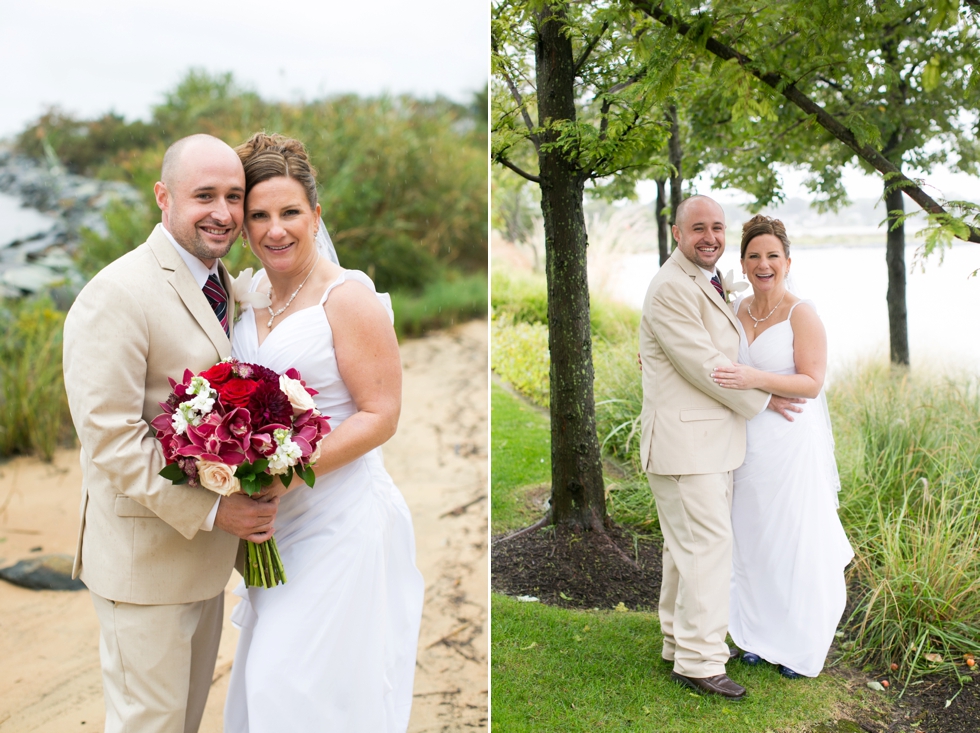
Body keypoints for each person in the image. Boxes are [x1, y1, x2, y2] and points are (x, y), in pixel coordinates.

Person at [63, 134, 280, 733]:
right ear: (163, 197)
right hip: (146, 562)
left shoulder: (225, 286)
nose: (223, 212)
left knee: (181, 723)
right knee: (149, 725)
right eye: (203, 195)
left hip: (202, 564)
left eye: (234, 197)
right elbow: (109, 439)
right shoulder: (117, 293)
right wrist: (217, 513)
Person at [223, 133, 424, 732]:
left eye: (289, 213)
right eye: (258, 216)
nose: (274, 230)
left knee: (292, 686)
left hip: (339, 521)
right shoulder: (249, 296)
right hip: (275, 529)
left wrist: (285, 469)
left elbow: (380, 414)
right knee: (272, 688)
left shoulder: (348, 299)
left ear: (316, 214)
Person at [638, 195, 803, 700]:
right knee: (707, 550)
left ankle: (678, 641)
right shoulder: (670, 287)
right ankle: (700, 663)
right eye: (698, 228)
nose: (710, 237)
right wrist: (767, 396)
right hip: (687, 446)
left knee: (684, 550)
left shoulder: (701, 280)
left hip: (704, 443)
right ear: (676, 233)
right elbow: (705, 364)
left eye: (717, 228)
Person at [711, 215, 854, 678]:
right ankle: (755, 637)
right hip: (745, 442)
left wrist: (756, 378)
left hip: (791, 445)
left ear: (788, 261)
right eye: (754, 256)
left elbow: (812, 383)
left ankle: (798, 646)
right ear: (743, 263)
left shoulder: (801, 314)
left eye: (772, 255)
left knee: (794, 542)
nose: (763, 264)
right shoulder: (735, 311)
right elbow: (716, 366)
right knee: (752, 541)